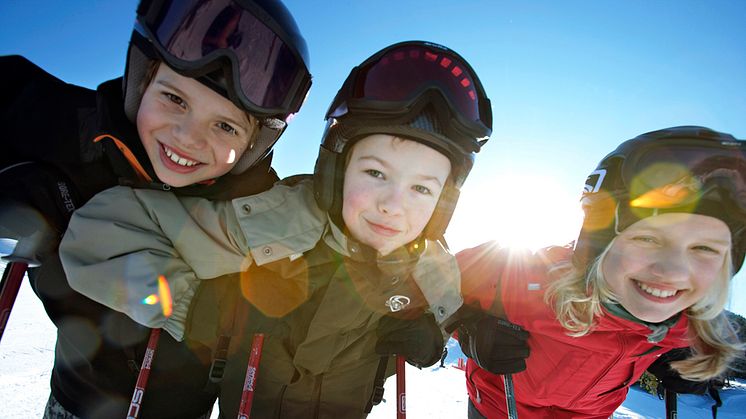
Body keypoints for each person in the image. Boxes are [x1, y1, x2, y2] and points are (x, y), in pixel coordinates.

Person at [59, 40, 493, 417]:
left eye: (421, 188)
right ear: (338, 167)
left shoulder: (428, 260)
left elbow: (447, 309)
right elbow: (101, 234)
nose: (393, 206)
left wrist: (435, 336)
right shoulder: (277, 224)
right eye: (376, 174)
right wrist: (199, 306)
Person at [0, 0, 311, 417]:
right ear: (142, 80)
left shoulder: (258, 211)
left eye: (224, 126)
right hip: (77, 400)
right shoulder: (74, 139)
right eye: (174, 99)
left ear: (256, 143)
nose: (187, 137)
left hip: (183, 406)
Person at [456, 126, 746, 418]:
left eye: (705, 249)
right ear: (599, 242)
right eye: (648, 239)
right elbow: (432, 284)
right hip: (498, 408)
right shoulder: (530, 278)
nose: (673, 272)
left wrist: (685, 361)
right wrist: (470, 328)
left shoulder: (686, 325)